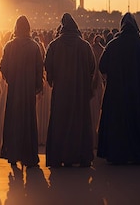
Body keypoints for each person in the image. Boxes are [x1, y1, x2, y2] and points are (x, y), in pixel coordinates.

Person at [97, 13, 140, 165]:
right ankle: (138, 154)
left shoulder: (113, 44)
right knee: (137, 121)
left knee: (118, 123)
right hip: (138, 93)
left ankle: (117, 154)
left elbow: (102, 66)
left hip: (117, 93)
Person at [44, 13, 96, 167]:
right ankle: (79, 156)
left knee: (60, 122)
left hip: (61, 92)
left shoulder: (54, 45)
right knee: (79, 122)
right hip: (79, 92)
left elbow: (48, 66)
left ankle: (59, 156)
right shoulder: (84, 46)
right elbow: (92, 67)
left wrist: (52, 80)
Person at [0, 15, 44, 169]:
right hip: (28, 91)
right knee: (28, 121)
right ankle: (28, 155)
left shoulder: (9, 46)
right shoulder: (34, 46)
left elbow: (3, 67)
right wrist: (37, 86)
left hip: (14, 91)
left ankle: (13, 153)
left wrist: (11, 79)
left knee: (13, 121)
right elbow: (39, 69)